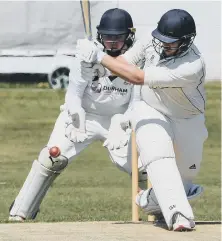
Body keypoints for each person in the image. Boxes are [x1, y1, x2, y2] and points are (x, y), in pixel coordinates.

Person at [9, 8, 147, 221]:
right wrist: (75, 112)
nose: (111, 43)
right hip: (83, 116)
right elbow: (73, 93)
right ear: (100, 36)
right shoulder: (86, 54)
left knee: (144, 168)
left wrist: (123, 121)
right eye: (107, 37)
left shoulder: (138, 58)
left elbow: (138, 101)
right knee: (51, 157)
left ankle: (158, 212)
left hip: (118, 121)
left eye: (117, 38)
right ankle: (21, 212)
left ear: (129, 36)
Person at [76, 9, 208, 231]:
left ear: (186, 41)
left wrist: (99, 57)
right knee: (158, 154)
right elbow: (125, 64)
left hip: (187, 119)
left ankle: (149, 199)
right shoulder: (152, 39)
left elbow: (136, 76)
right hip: (149, 108)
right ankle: (179, 216)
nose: (163, 45)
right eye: (162, 39)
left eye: (171, 42)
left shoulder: (192, 66)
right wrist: (96, 66)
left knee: (184, 182)